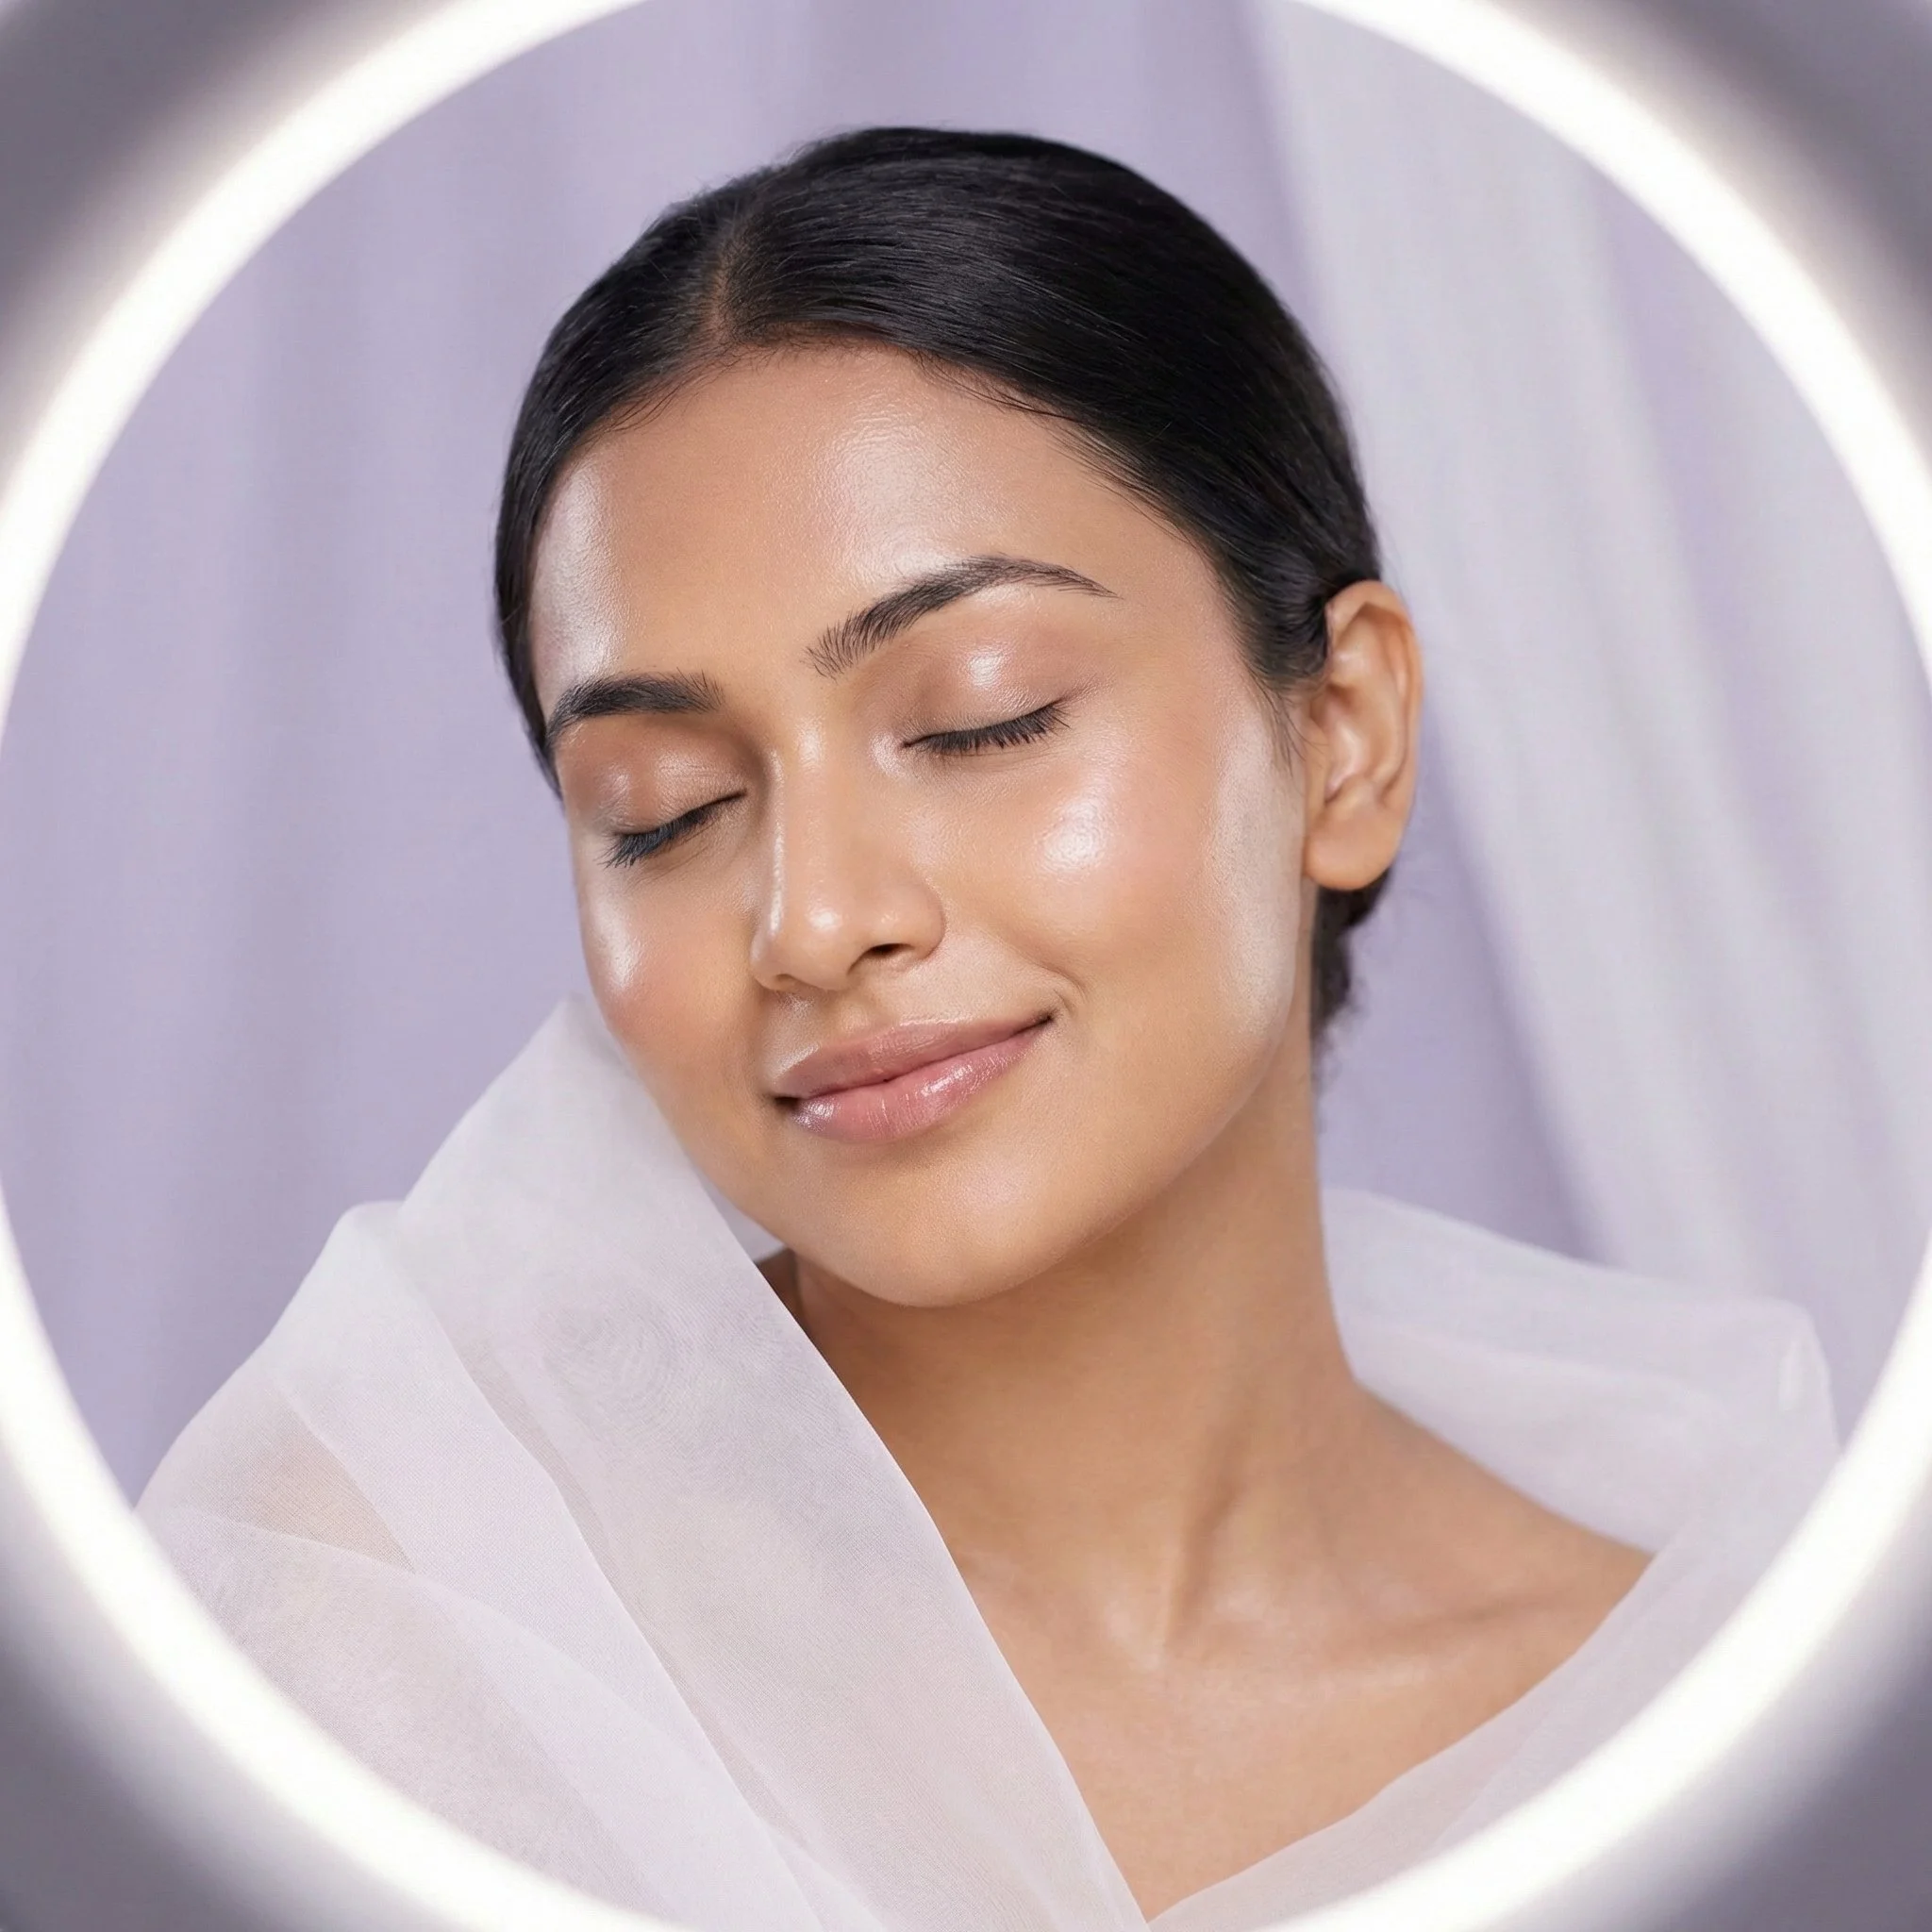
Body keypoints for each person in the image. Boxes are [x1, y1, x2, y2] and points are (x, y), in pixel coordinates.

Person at [140, 128, 1835, 1931]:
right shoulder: (384, 1641)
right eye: (662, 808)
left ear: (1342, 737)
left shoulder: (1736, 1701)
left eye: (981, 718)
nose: (812, 920)